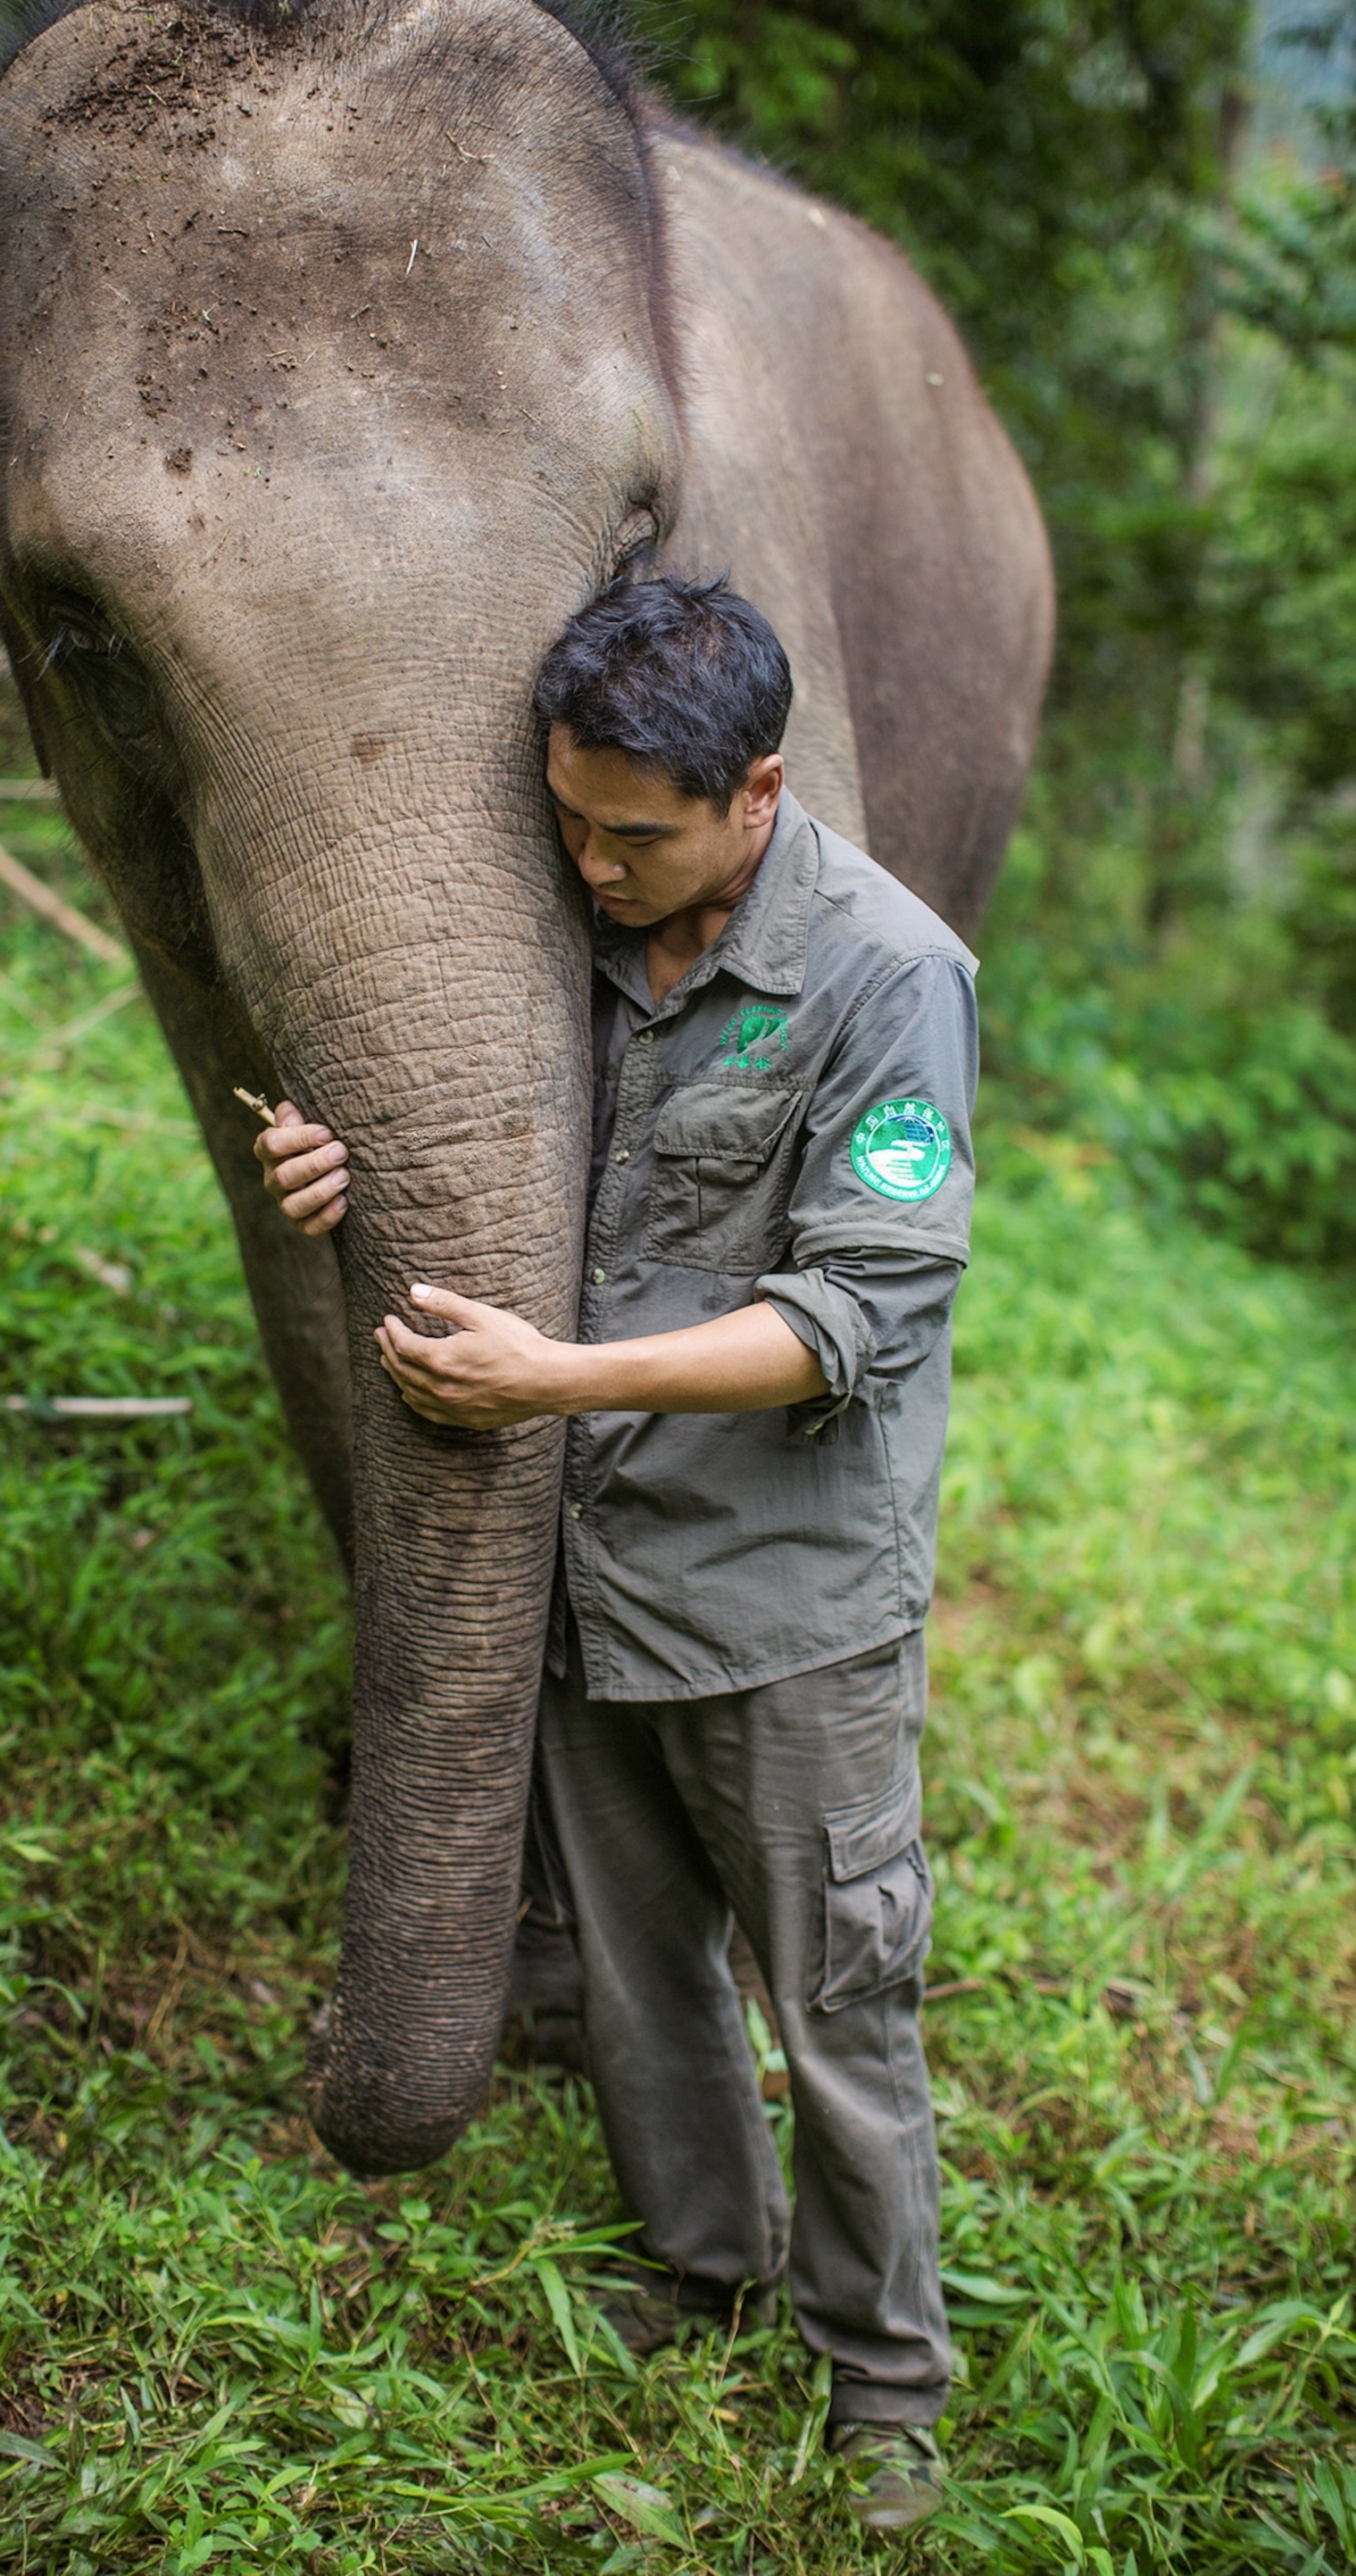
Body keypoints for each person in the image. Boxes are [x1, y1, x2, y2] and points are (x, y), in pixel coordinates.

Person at [256, 577, 977, 2541]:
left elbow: (855, 1317)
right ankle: (702, 2263)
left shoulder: (888, 979)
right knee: (648, 1974)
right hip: (586, 1560)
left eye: (632, 834)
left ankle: (883, 2383)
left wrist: (561, 1381)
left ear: (754, 793)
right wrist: (334, 1170)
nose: (588, 863)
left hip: (784, 1609)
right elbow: (466, 1149)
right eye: (567, 821)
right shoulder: (577, 926)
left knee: (838, 2002)